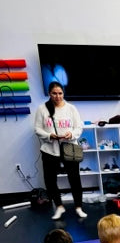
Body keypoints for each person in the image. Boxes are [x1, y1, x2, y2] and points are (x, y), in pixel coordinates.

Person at [34, 81, 87, 220]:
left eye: (60, 93)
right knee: (50, 181)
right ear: (49, 93)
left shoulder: (71, 108)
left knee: (75, 179)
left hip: (70, 148)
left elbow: (79, 127)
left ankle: (79, 207)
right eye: (54, 93)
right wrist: (49, 135)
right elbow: (37, 129)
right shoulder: (42, 109)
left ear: (63, 93)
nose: (57, 96)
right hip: (49, 150)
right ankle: (59, 206)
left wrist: (71, 134)